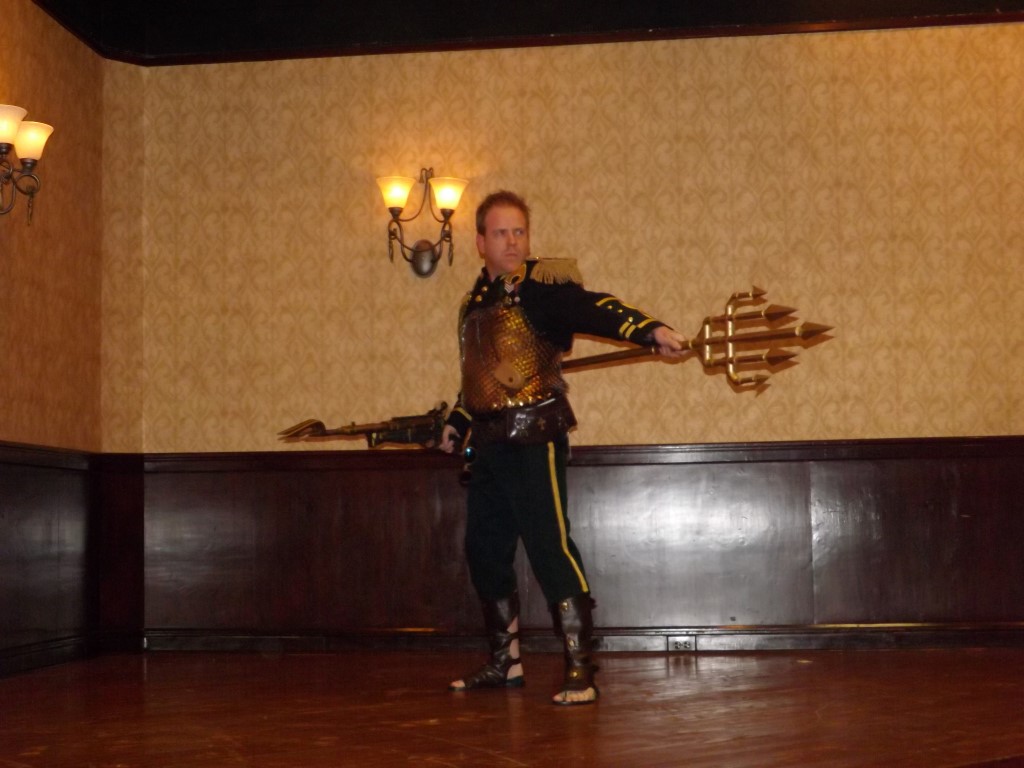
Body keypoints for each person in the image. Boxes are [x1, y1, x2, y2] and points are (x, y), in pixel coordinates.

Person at [440, 190, 688, 706]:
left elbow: (593, 308)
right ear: (480, 241)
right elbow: (480, 377)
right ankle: (505, 663)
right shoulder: (475, 304)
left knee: (550, 547)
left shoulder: (540, 287)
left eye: (519, 232)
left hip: (535, 437)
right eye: (501, 233)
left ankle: (580, 667)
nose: (512, 242)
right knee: (484, 552)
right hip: (488, 445)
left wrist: (649, 330)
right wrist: (458, 421)